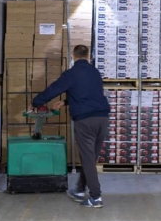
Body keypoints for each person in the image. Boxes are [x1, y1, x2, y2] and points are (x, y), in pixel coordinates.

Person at [32, 45, 110, 208]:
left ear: (73, 56)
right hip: (102, 119)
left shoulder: (71, 73)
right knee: (90, 158)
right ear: (88, 56)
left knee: (87, 159)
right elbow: (90, 93)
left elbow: (53, 89)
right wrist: (67, 101)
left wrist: (36, 102)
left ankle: (95, 197)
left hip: (85, 121)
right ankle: (80, 189)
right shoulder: (95, 72)